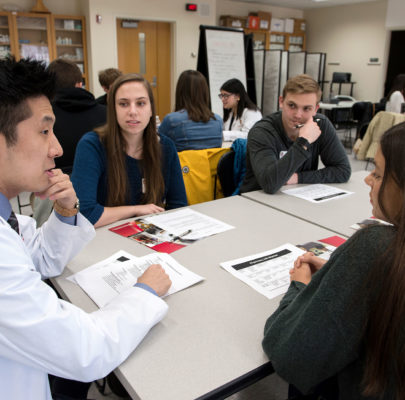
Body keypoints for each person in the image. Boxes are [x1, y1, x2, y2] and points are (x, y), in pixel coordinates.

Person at [0, 57, 171, 400]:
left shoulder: (9, 219)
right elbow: (84, 351)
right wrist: (145, 293)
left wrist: (65, 211)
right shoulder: (96, 144)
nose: (57, 149)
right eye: (45, 131)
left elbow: (42, 259)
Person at [262, 123, 405, 399]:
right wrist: (338, 273)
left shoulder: (375, 246)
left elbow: (290, 353)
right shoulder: (264, 131)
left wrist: (300, 287)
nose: (367, 180)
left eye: (377, 173)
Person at [71, 73, 187, 228]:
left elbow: (178, 207)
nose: (133, 111)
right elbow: (84, 214)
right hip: (102, 240)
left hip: (151, 237)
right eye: (124, 104)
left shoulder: (166, 147)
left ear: (151, 109)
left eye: (141, 103)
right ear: (113, 109)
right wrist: (136, 210)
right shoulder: (92, 145)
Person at [240, 74, 351, 194]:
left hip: (297, 198)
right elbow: (270, 184)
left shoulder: (321, 124)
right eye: (292, 106)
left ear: (316, 109)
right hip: (257, 201)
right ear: (281, 101)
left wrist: (298, 177)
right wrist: (303, 141)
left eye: (307, 108)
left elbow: (343, 170)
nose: (298, 115)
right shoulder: (262, 131)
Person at [48, 59, 107, 174]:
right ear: (80, 84)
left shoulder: (43, 119)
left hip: (55, 184)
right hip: (100, 182)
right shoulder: (107, 114)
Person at [158, 70, 222, 151]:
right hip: (211, 164)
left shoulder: (172, 120)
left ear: (180, 92)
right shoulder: (218, 120)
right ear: (205, 92)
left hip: (183, 163)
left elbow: (157, 147)